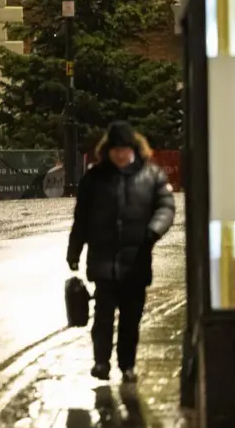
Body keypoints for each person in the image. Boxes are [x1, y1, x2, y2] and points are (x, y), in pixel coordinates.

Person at [66, 121, 176, 384]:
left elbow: (166, 207)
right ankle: (101, 363)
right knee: (103, 317)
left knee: (130, 318)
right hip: (103, 261)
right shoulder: (94, 179)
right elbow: (81, 219)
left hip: (136, 261)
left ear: (134, 149)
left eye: (124, 149)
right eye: (115, 150)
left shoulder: (151, 176)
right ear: (108, 150)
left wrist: (153, 232)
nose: (120, 155)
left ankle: (127, 365)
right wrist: (74, 251)